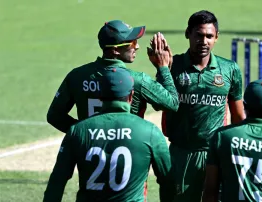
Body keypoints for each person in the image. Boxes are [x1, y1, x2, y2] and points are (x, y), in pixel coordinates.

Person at [151, 10, 246, 202]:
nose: (204, 41)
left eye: (209, 36)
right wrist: (163, 70)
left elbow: (238, 118)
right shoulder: (173, 66)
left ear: (217, 37)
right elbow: (158, 104)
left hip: (216, 155)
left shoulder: (230, 69)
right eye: (199, 35)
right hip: (181, 154)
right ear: (188, 34)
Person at [43, 68, 173, 202]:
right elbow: (168, 180)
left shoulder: (78, 131)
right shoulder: (149, 131)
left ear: (99, 96)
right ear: (131, 96)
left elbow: (57, 181)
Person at [47, 20, 178, 133]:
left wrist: (84, 133)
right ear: (115, 50)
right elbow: (172, 103)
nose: (137, 46)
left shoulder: (76, 76)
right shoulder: (137, 80)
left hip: (90, 155)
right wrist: (163, 68)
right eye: (131, 43)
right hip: (128, 154)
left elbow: (54, 116)